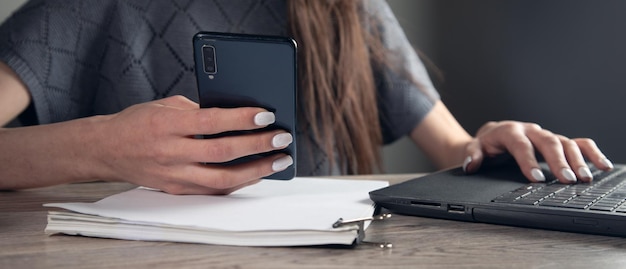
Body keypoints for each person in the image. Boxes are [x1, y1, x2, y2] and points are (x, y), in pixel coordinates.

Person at [0, 0, 613, 195]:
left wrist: (492, 144)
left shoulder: (346, 9)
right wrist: (102, 148)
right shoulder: (85, 9)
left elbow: (454, 147)